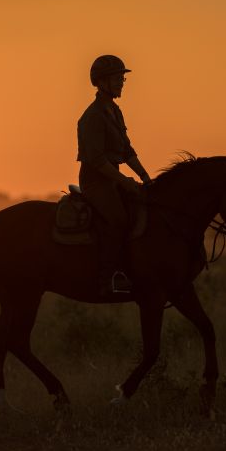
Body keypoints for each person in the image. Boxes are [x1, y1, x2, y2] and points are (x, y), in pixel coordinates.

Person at [77, 54, 151, 296]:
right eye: (117, 78)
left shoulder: (115, 112)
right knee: (118, 219)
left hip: (113, 178)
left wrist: (145, 177)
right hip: (96, 181)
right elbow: (97, 161)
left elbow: (127, 151)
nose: (121, 83)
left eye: (122, 79)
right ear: (101, 82)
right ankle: (107, 279)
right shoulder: (92, 116)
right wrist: (125, 182)